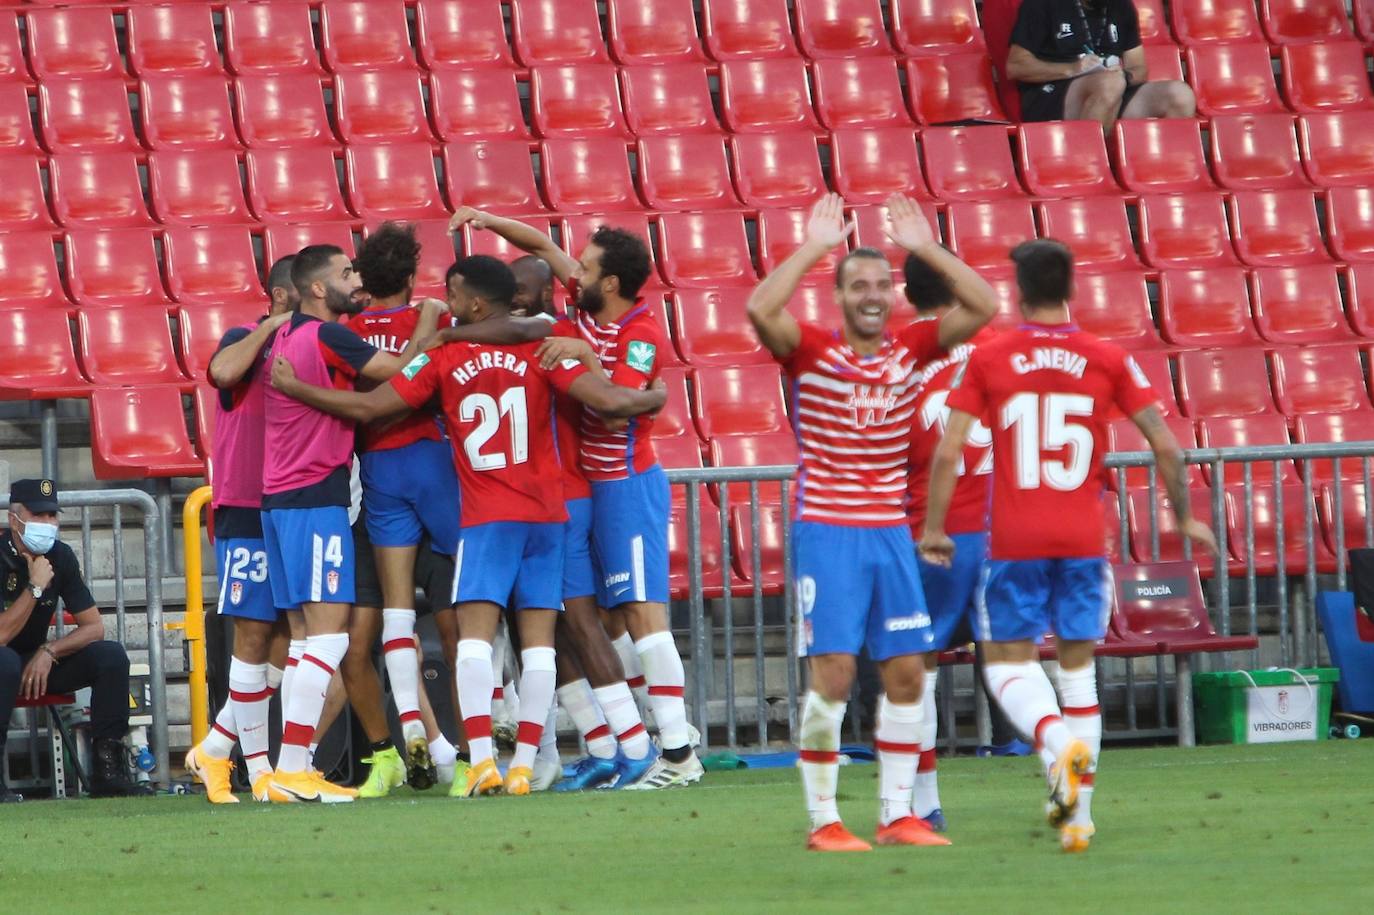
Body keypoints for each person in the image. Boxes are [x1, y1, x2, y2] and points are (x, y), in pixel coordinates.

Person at [270, 255, 668, 798]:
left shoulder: (444, 354)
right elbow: (608, 400)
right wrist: (655, 399)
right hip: (548, 517)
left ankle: (481, 759)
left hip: (486, 519)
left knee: (476, 642)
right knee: (540, 647)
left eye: (454, 296)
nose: (447, 303)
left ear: (475, 303)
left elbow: (371, 408)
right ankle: (527, 764)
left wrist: (300, 391)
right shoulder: (547, 347)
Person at [920, 238, 1217, 853]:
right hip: (1084, 535)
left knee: (1007, 662)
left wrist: (935, 526)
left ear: (1020, 292)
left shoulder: (991, 357)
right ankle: (1079, 815)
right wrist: (1184, 518)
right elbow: (1165, 442)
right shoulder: (1108, 357)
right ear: (1072, 288)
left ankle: (1057, 744)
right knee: (1077, 669)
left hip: (1016, 537)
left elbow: (950, 450)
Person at [747, 193, 998, 852]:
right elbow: (758, 309)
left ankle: (897, 814)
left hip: (892, 532)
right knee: (833, 673)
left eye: (883, 284)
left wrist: (923, 246)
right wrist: (811, 247)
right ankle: (825, 820)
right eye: (859, 284)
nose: (873, 294)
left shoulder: (910, 350)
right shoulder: (810, 351)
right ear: (837, 295)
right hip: (829, 529)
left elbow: (984, 305)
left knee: (907, 672)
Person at [447, 207, 699, 790]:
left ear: (609, 283)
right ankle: (617, 745)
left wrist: (632, 382)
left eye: (583, 268)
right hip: (584, 489)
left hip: (626, 486)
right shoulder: (585, 305)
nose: (571, 275)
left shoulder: (638, 334)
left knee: (642, 615)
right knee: (582, 619)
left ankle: (680, 753)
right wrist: (486, 218)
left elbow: (617, 400)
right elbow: (538, 240)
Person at [259, 244, 441, 803]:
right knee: (329, 637)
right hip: (315, 498)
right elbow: (399, 377)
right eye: (343, 274)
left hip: (281, 498)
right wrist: (429, 326)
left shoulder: (285, 334)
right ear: (317, 289)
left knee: (304, 642)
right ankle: (291, 769)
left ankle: (284, 770)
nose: (352, 280)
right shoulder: (327, 334)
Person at [343, 222, 464, 796]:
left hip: (381, 471)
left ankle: (413, 730)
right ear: (413, 276)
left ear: (363, 279)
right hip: (435, 463)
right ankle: (491, 739)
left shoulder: (346, 332)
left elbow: (365, 403)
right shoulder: (436, 320)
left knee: (395, 612)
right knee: (464, 610)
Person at [185, 255, 298, 804]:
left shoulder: (312, 345)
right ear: (281, 295)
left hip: (292, 503)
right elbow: (223, 372)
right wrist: (271, 328)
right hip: (246, 503)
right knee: (254, 634)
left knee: (287, 635)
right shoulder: (244, 337)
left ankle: (216, 747)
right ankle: (257, 771)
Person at [901, 253, 999, 833]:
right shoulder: (996, 347)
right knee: (1018, 666)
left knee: (918, 666)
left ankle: (925, 803)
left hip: (930, 531)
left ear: (906, 293)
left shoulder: (901, 351)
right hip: (1003, 530)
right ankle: (1069, 779)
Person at [0, 479, 148, 800]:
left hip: (35, 663)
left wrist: (51, 650)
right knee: (6, 661)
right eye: (39, 516)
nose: (49, 524)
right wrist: (35, 587)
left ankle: (107, 770)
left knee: (110, 656)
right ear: (14, 520)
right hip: (3, 661)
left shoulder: (60, 556)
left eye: (53, 515)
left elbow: (94, 627)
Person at [1005, 0, 1195, 129]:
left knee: (1180, 94)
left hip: (1111, 90)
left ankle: (1163, 172)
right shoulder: (1042, 4)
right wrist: (1071, 69)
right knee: (1110, 84)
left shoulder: (1122, 7)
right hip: (1051, 94)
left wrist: (1124, 76)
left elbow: (1139, 67)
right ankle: (1087, 165)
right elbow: (1016, 67)